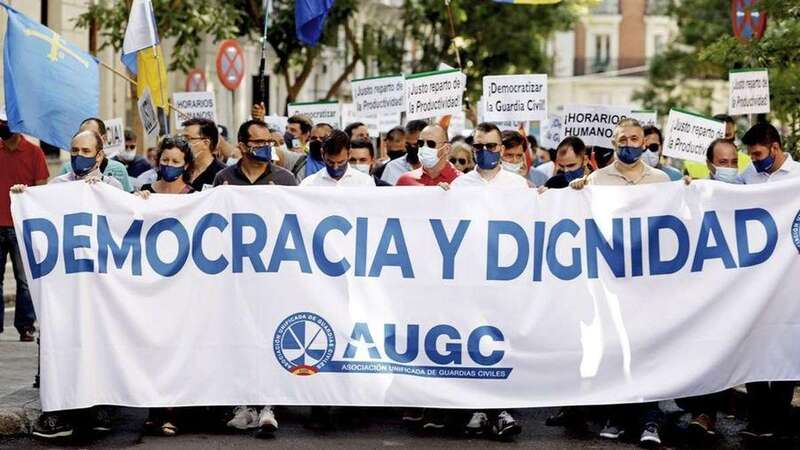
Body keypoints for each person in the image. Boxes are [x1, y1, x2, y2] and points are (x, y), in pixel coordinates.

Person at [17, 130, 124, 440]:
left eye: (86, 150)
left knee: (100, 343)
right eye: (75, 149)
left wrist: (104, 195)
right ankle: (59, 411)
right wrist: (26, 199)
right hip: (65, 286)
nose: (79, 155)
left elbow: (127, 226)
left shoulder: (112, 187)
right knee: (62, 343)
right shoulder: (57, 187)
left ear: (100, 156)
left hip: (100, 286)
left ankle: (100, 408)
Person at [571, 118, 667, 446]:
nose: (629, 143)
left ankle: (649, 419)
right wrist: (573, 195)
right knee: (614, 347)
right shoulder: (596, 180)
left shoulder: (661, 179)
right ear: (614, 144)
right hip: (611, 281)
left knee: (646, 349)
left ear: (644, 142)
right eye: (622, 139)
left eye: (635, 138)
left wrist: (688, 192)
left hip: (649, 282)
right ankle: (618, 415)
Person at [213, 119, 296, 437]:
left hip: (273, 275)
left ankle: (268, 406)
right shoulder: (224, 179)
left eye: (269, 142)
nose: (267, 147)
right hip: (234, 276)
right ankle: (243, 404)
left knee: (268, 336)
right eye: (259, 142)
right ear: (244, 146)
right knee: (238, 337)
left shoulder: (285, 179)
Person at [443, 123, 524, 440]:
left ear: (502, 148)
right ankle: (487, 409)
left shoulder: (519, 186)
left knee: (502, 343)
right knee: (476, 343)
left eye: (491, 146)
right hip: (471, 279)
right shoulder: (460, 186)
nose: (485, 152)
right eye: (479, 147)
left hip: (506, 282)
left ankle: (497, 409)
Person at [673, 138, 741, 440]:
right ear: (710, 165)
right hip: (701, 286)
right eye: (722, 163)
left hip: (734, 287)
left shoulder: (749, 192)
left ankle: (707, 414)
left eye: (732, 162)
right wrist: (683, 189)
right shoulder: (696, 192)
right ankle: (697, 408)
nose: (728, 168)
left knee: (724, 350)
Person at [736, 122, 799, 438]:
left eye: (758, 153)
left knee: (787, 342)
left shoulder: (799, 176)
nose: (754, 159)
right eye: (750, 154)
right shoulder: (747, 176)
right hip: (755, 278)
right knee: (755, 342)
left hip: (790, 277)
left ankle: (779, 415)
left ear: (775, 148)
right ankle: (759, 417)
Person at [136, 136, 195, 436]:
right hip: (152, 285)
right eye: (165, 160)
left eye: (175, 161)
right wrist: (135, 203)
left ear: (186, 165)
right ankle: (154, 409)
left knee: (179, 347)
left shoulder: (196, 197)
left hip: (183, 286)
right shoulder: (144, 192)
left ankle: (175, 411)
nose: (169, 166)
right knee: (153, 347)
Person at [0, 116, 48, 341]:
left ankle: (26, 326)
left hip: (22, 227)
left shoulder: (34, 153)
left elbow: (41, 190)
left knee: (25, 279)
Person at [447, 123, 528, 190]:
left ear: (502, 150)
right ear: (473, 149)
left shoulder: (519, 184)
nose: (484, 150)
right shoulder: (459, 184)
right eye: (478, 146)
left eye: (491, 146)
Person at [60, 118, 132, 192]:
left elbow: (125, 199)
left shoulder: (116, 173)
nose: (85, 138)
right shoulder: (63, 175)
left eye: (86, 151)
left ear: (104, 138)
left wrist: (101, 187)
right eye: (82, 134)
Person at [301, 130, 375, 187]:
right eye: (330, 162)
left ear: (349, 154)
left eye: (340, 162)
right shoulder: (308, 184)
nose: (335, 167)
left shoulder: (365, 183)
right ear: (322, 153)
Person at [396, 124, 460, 186]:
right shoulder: (405, 180)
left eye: (431, 144)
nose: (424, 147)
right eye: (421, 143)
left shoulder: (461, 181)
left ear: (446, 149)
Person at [181, 118, 225, 192]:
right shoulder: (179, 170)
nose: (182, 143)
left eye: (188, 139)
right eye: (181, 139)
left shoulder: (223, 174)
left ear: (205, 143)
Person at [381, 119, 427, 185]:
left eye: (418, 144)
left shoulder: (438, 167)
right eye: (408, 144)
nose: (412, 148)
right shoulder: (392, 167)